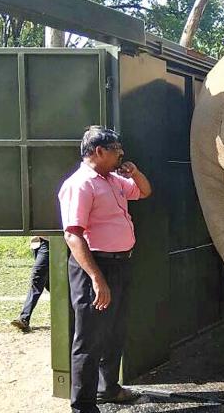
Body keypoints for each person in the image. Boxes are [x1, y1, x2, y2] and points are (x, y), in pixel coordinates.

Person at [58, 126, 152, 413]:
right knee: (89, 339)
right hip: (96, 267)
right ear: (99, 151)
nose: (121, 153)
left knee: (114, 331)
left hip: (120, 263)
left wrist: (133, 172)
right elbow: (73, 234)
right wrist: (97, 278)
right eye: (116, 149)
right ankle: (83, 406)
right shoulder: (80, 184)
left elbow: (145, 191)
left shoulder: (113, 179)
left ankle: (108, 388)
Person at [11, 236, 50, 332]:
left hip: (49, 241)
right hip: (37, 243)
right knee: (49, 283)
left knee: (37, 278)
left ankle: (24, 318)